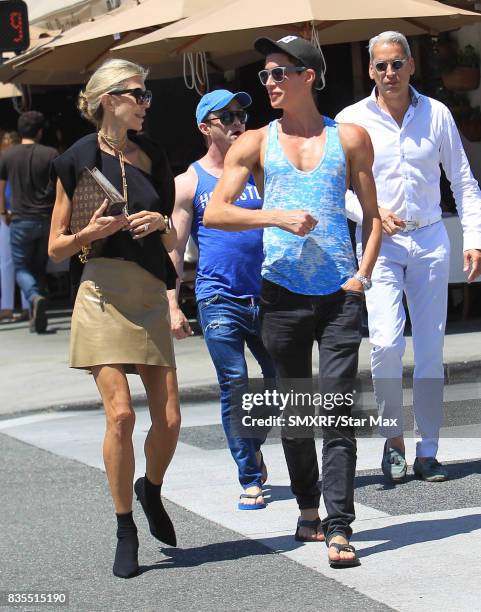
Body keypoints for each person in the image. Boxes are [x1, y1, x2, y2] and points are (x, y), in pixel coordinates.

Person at [204, 35, 381, 567]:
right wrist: (275, 216)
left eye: (279, 73)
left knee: (337, 411)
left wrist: (362, 276)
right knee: (298, 414)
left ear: (309, 76)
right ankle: (307, 505)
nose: (270, 84)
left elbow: (373, 216)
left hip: (339, 295)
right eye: (265, 76)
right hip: (279, 294)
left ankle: (339, 525)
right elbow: (216, 211)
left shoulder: (350, 138)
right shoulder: (254, 142)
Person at [48, 59, 181, 579]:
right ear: (109, 99)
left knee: (169, 419)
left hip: (148, 292)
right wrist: (90, 234)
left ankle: (151, 488)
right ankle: (125, 524)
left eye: (147, 95)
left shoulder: (154, 155)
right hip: (100, 290)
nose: (146, 103)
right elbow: (58, 248)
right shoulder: (74, 160)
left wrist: (162, 220)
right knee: (121, 415)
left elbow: (172, 237)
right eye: (138, 95)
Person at [336, 31, 481, 484]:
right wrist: (371, 211)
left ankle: (429, 450)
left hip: (432, 239)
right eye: (381, 66)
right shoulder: (351, 119)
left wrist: (474, 238)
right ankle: (392, 439)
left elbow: (463, 179)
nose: (390, 73)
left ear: (412, 65)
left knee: (432, 348)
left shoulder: (435, 113)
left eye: (397, 63)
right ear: (371, 69)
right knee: (384, 343)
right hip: (379, 244)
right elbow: (336, 187)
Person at [168, 89, 276, 510]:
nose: (237, 121)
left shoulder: (263, 171)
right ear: (204, 127)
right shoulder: (188, 183)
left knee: (281, 385)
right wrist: (173, 304)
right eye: (225, 116)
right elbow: (175, 250)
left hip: (268, 295)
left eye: (241, 113)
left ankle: (251, 445)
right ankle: (249, 477)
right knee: (234, 384)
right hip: (218, 297)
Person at [0, 112, 57, 333]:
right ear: (40, 132)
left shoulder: (7, 156)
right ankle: (36, 314)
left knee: (21, 267)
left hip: (20, 219)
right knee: (39, 267)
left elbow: (1, 187)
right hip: (45, 218)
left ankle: (34, 296)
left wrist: (3, 211)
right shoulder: (51, 154)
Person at [0, 131, 29, 323]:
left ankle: (19, 306)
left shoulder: (13, 165)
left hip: (13, 215)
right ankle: (10, 306)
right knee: (11, 263)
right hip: (8, 215)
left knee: (13, 262)